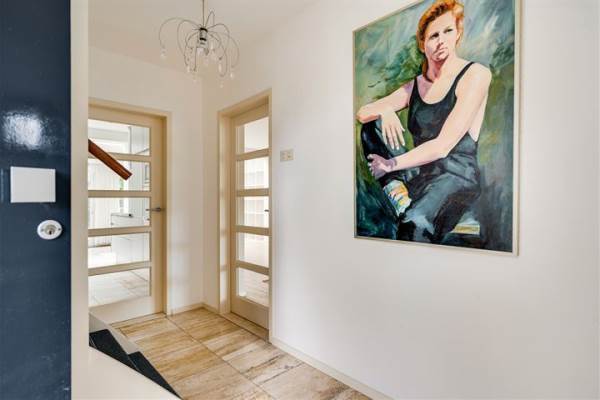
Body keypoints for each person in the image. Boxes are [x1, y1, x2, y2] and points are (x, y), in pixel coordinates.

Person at [356, 0, 492, 243]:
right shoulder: (415, 86)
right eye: (433, 36)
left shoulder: (475, 75)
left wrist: (390, 165)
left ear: (458, 33)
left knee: (414, 223)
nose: (441, 41)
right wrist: (385, 109)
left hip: (455, 177)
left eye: (447, 31)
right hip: (419, 175)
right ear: (422, 44)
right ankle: (401, 199)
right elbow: (362, 113)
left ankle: (408, 211)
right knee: (372, 124)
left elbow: (442, 147)